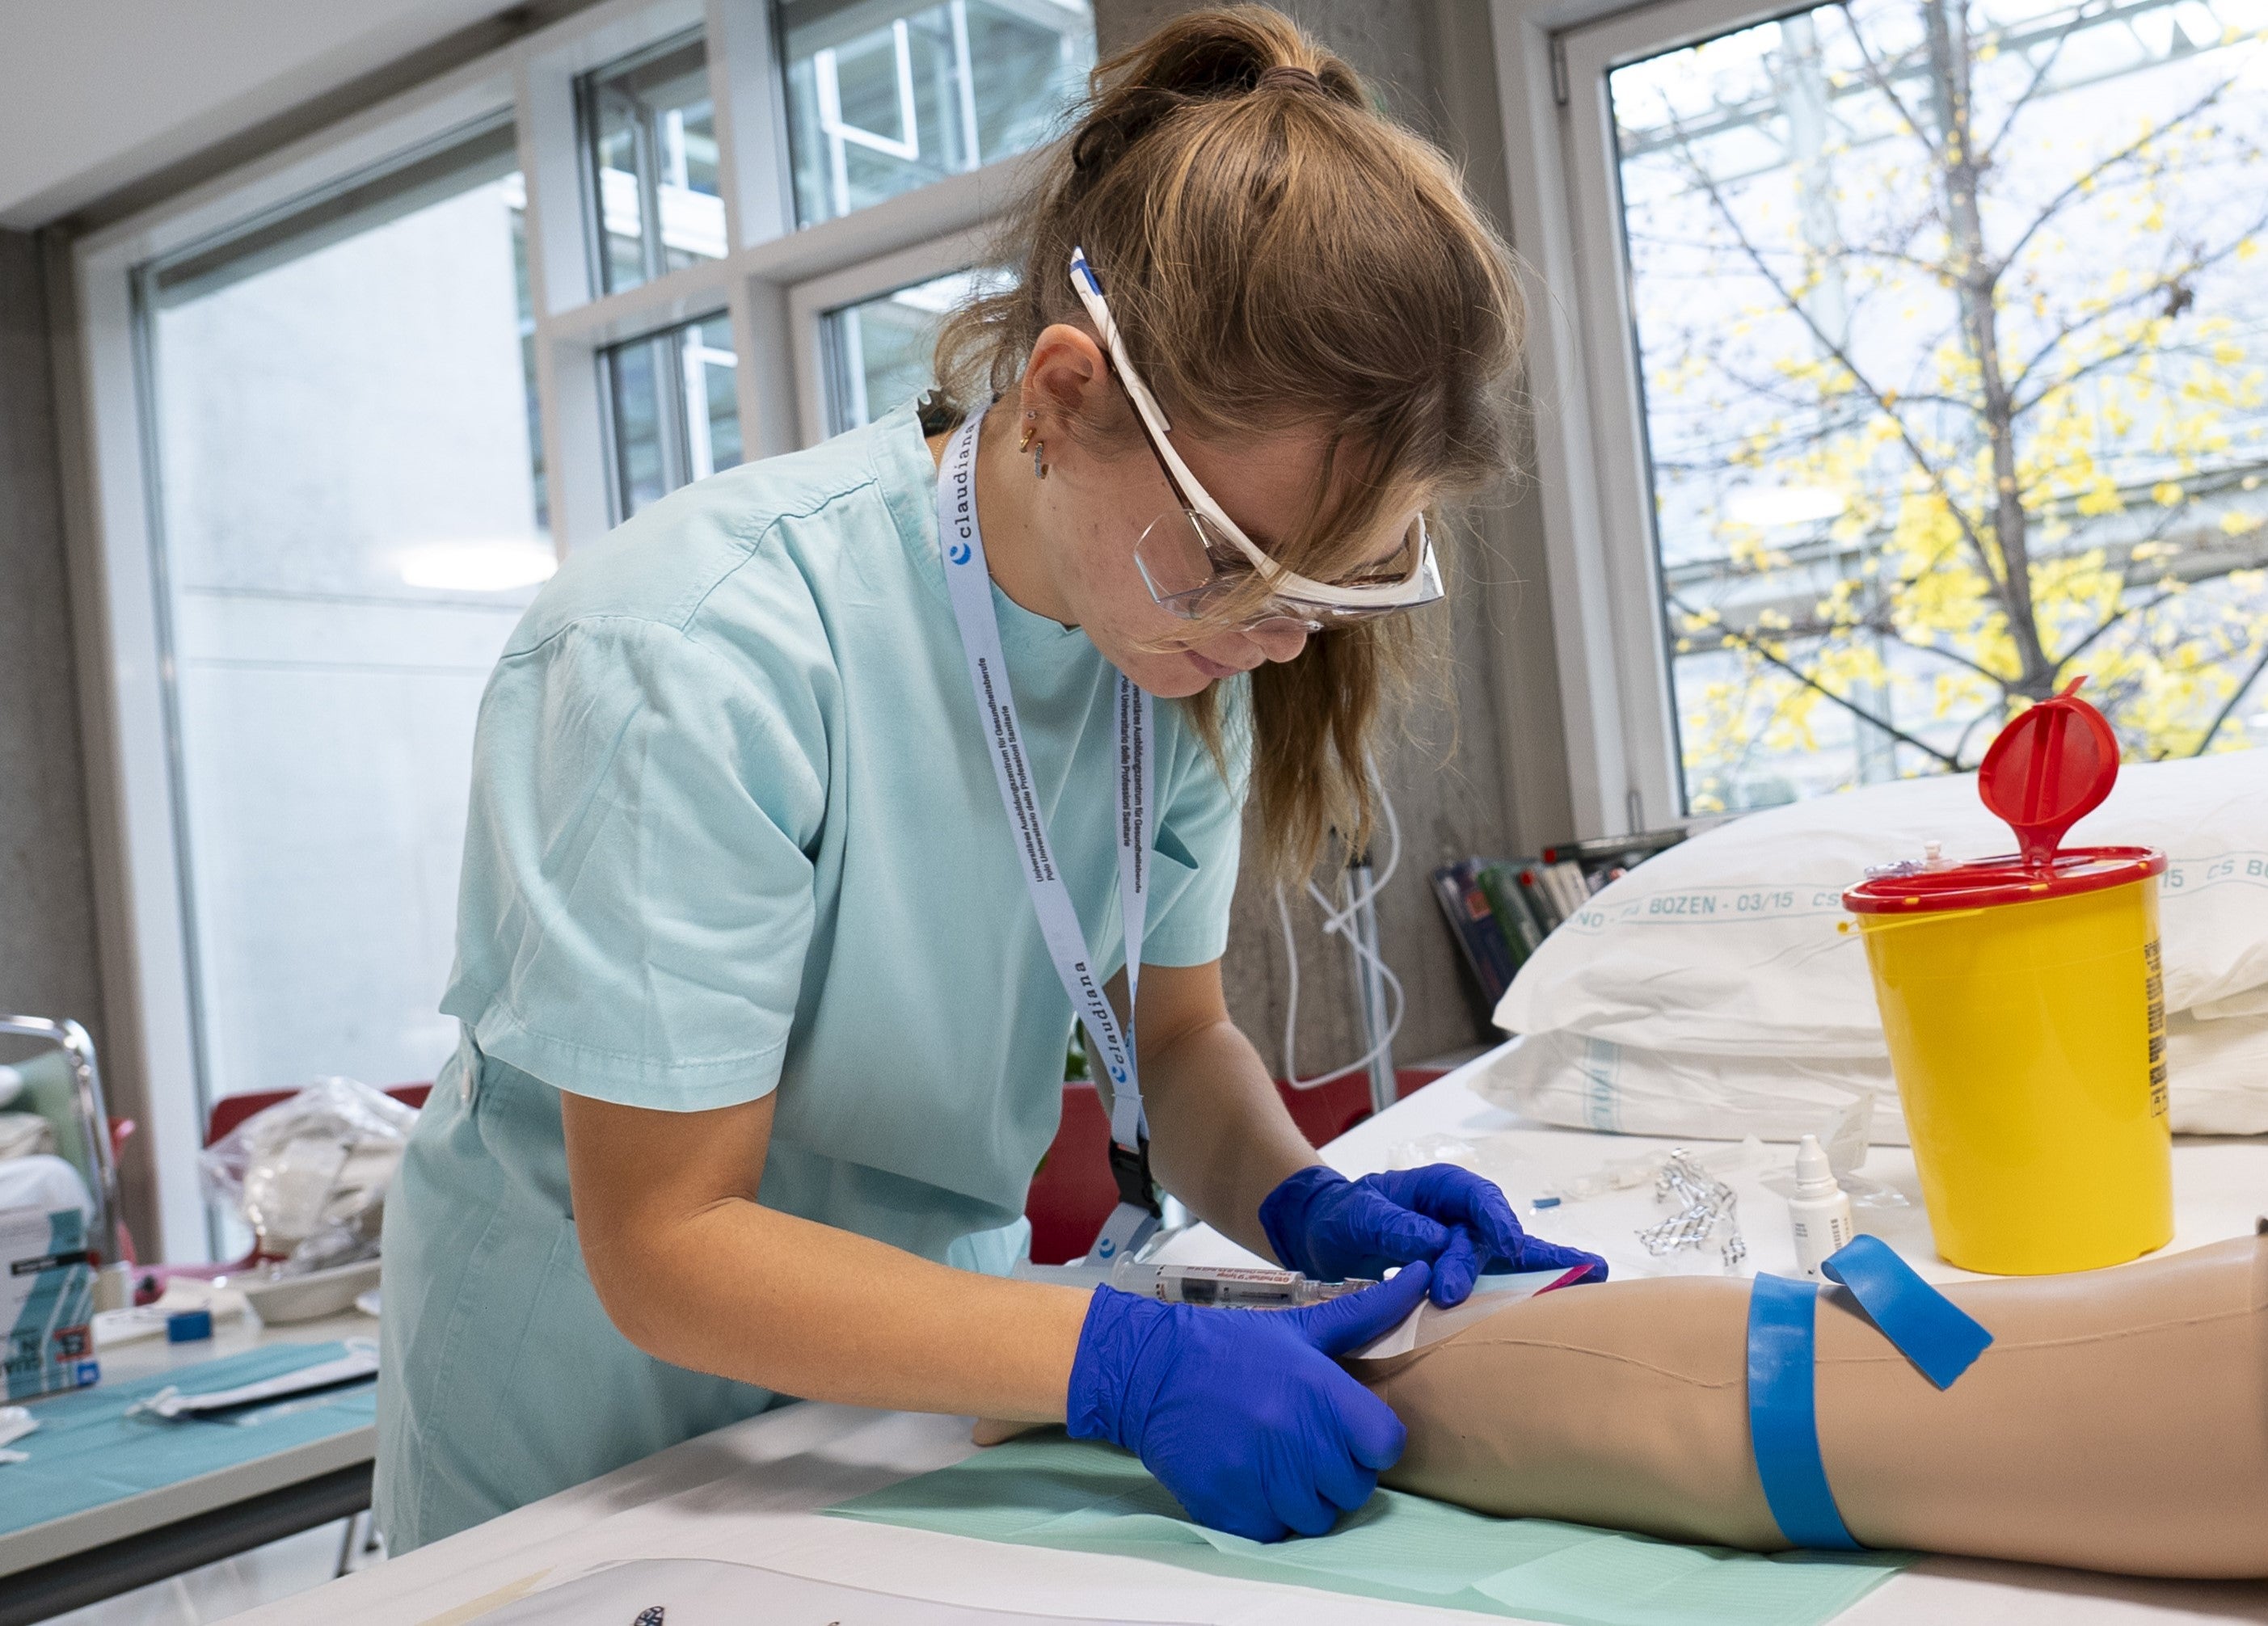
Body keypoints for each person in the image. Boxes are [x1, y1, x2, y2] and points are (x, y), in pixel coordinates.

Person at [375, 5, 1600, 1553]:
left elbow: (1176, 1040)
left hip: (916, 1397)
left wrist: (1301, 1203)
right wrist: (1123, 1359)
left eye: (1337, 587)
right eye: (1234, 563)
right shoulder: (692, 650)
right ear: (1063, 394)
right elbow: (667, 1243)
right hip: (597, 1449)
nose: (1278, 642)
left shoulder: (1166, 653)